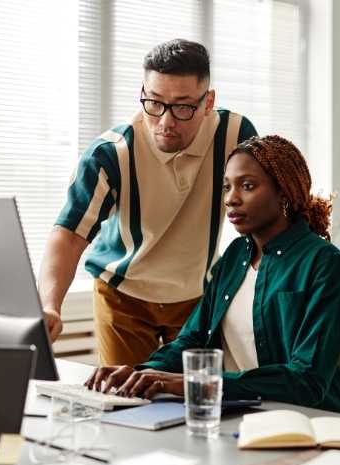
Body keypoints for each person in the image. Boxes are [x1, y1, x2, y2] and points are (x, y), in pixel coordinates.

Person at [86, 135, 340, 414]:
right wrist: (141, 373)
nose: (231, 199)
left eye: (247, 186)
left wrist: (197, 384)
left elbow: (306, 380)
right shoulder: (236, 255)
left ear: (284, 192)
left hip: (305, 420)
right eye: (227, 187)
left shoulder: (325, 263)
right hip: (237, 412)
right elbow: (193, 339)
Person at [38, 39, 257, 366]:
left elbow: (264, 206)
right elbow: (69, 236)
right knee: (125, 401)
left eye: (183, 107)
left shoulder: (234, 133)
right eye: (154, 103)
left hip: (196, 298)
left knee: (190, 401)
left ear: (208, 101)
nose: (166, 122)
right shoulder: (111, 153)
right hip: (123, 298)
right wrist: (49, 305)